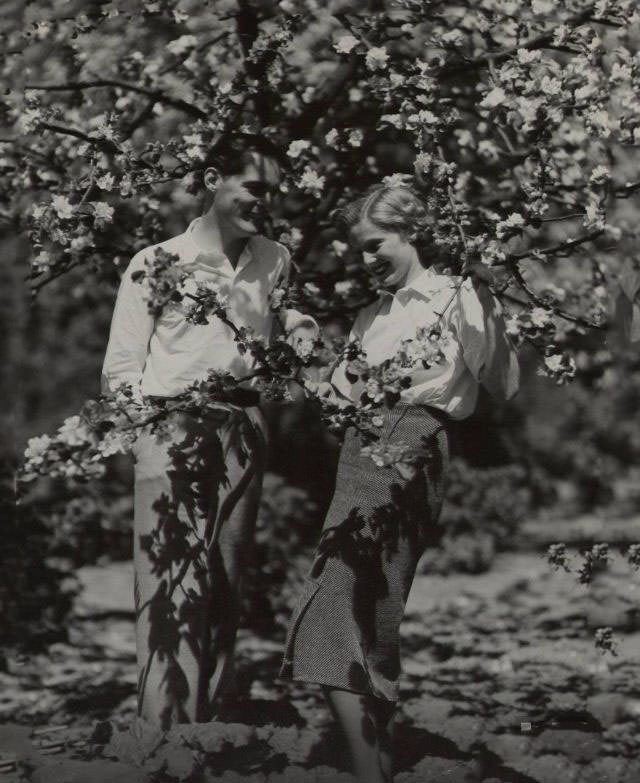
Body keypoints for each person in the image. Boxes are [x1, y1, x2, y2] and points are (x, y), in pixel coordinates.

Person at [280, 184, 519, 782]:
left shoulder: (454, 296)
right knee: (367, 608)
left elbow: (505, 385)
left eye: (374, 245)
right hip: (360, 452)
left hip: (410, 444)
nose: (364, 261)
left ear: (410, 231)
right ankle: (376, 760)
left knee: (338, 604)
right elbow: (340, 402)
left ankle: (370, 772)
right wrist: (303, 347)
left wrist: (486, 297)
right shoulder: (374, 314)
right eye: (357, 251)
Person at [101, 133, 317, 728]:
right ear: (216, 177)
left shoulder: (275, 259)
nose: (263, 201)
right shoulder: (156, 261)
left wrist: (299, 327)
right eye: (254, 186)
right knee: (171, 582)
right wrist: (145, 440)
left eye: (271, 191)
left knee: (223, 587)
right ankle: (162, 736)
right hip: (171, 425)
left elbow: (282, 321)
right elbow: (122, 366)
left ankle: (203, 732)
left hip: (242, 426)